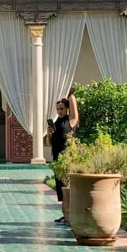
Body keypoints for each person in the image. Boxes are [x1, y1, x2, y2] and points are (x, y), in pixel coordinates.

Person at [50, 89, 79, 223]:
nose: (59, 111)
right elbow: (48, 142)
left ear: (67, 109)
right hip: (57, 158)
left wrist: (70, 94)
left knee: (68, 186)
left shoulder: (71, 121)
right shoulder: (55, 124)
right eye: (57, 109)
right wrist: (48, 132)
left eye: (61, 109)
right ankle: (65, 215)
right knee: (61, 187)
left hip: (67, 158)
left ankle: (70, 215)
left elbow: (74, 110)